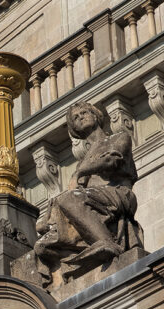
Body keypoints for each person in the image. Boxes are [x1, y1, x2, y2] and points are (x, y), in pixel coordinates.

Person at [33, 101, 143, 285]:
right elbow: (78, 193)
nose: (80, 117)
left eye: (84, 112)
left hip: (119, 194)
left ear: (95, 115)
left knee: (68, 198)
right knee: (41, 246)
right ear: (74, 128)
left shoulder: (118, 138)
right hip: (93, 202)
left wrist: (80, 173)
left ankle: (105, 242)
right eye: (75, 118)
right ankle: (80, 260)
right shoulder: (83, 160)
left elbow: (111, 162)